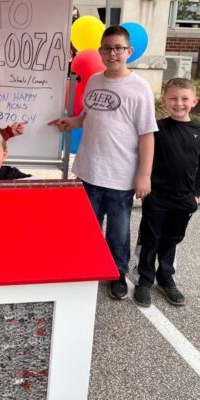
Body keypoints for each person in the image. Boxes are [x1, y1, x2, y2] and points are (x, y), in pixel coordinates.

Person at [49, 25, 157, 300]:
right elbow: (88, 115)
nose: (113, 53)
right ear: (100, 51)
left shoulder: (140, 87)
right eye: (107, 48)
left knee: (118, 233)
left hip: (120, 176)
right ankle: (87, 268)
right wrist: (71, 123)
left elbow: (147, 135)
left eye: (118, 48)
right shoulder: (95, 80)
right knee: (87, 227)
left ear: (128, 52)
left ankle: (116, 272)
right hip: (88, 170)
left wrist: (144, 175)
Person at [133, 78, 200, 307]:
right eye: (173, 98)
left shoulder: (198, 131)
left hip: (184, 198)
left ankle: (166, 278)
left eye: (184, 99)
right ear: (164, 100)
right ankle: (144, 280)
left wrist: (197, 194)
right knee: (150, 238)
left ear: (194, 101)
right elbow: (143, 158)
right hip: (158, 196)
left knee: (172, 239)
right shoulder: (157, 128)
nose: (178, 103)